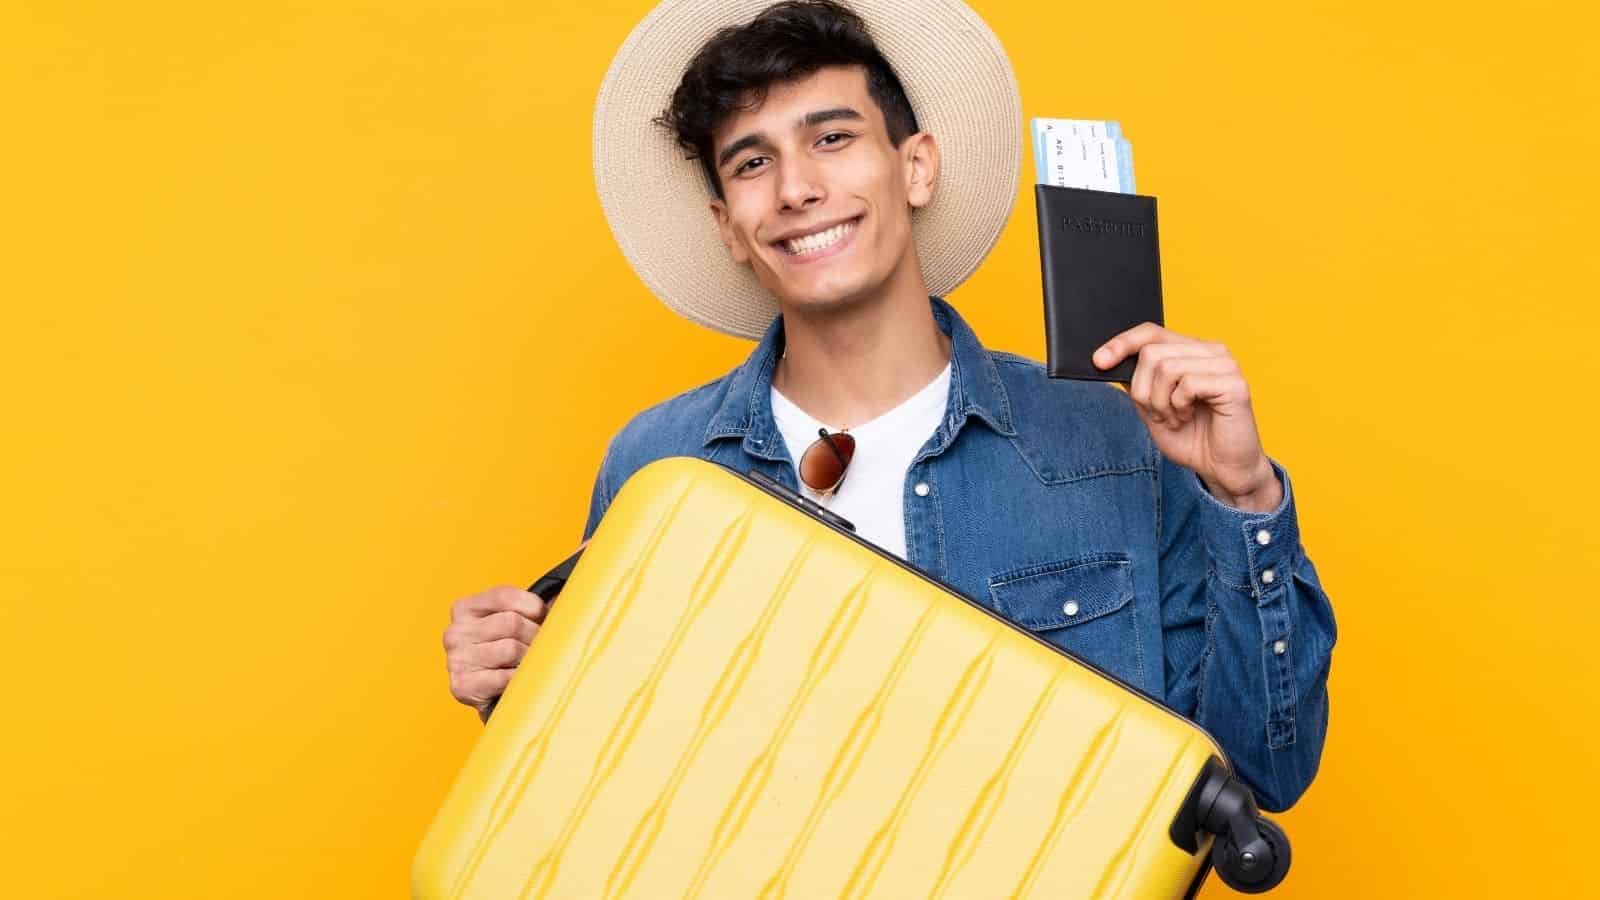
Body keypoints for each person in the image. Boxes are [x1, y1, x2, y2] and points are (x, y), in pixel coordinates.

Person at [440, 0, 1335, 813]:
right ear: (729, 226)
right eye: (753, 162)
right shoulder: (658, 466)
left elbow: (1262, 773)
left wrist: (1245, 498)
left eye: (832, 138)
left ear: (916, 167)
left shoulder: (1111, 441)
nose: (796, 188)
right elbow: (621, 793)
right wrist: (524, 690)